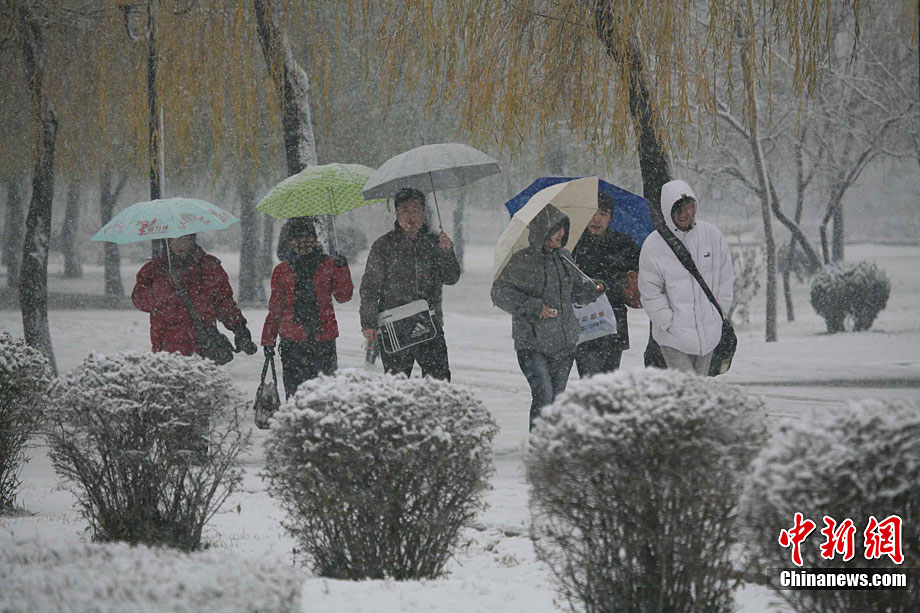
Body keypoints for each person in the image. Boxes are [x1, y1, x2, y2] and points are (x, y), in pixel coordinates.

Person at [491, 205, 606, 431]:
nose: (561, 233)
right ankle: (538, 444)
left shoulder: (564, 257)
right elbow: (499, 293)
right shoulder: (522, 261)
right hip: (532, 343)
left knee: (556, 402)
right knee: (543, 395)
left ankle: (551, 445)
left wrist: (594, 289)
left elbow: (575, 293)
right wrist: (534, 306)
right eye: (555, 228)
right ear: (542, 230)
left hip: (564, 343)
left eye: (563, 228)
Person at [360, 188, 461, 380]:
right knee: (397, 385)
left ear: (424, 213)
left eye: (416, 210)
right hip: (394, 325)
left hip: (429, 322)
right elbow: (370, 288)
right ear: (396, 213)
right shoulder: (384, 246)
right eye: (405, 210)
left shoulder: (435, 242)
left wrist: (446, 252)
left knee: (438, 381)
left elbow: (451, 278)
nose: (410, 216)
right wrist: (368, 323)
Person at [638, 179, 733, 375]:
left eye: (688, 207)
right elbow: (650, 290)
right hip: (674, 338)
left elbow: (726, 276)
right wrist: (667, 322)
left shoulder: (712, 236)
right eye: (677, 209)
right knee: (688, 388)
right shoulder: (653, 245)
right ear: (667, 210)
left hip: (708, 334)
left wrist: (719, 312)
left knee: (697, 389)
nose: (684, 214)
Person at [261, 217, 354, 398]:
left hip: (323, 341)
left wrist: (342, 269)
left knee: (325, 395)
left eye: (308, 236)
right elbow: (275, 309)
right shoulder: (282, 270)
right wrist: (268, 340)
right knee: (295, 395)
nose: (303, 242)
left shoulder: (329, 265)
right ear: (290, 241)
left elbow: (343, 296)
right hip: (293, 343)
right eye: (297, 237)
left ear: (315, 239)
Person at [132, 233, 258, 358]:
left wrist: (239, 328)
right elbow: (140, 301)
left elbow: (224, 301)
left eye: (186, 239)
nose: (182, 245)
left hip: (204, 344)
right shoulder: (153, 270)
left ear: (193, 240)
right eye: (176, 240)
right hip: (168, 348)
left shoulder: (209, 266)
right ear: (167, 242)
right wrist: (164, 286)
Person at [572, 192, 641, 376]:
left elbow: (644, 270)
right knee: (590, 380)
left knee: (610, 382)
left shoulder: (623, 243)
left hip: (613, 322)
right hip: (585, 322)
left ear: (610, 218)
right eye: (592, 213)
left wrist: (629, 284)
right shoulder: (574, 245)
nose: (596, 219)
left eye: (602, 214)